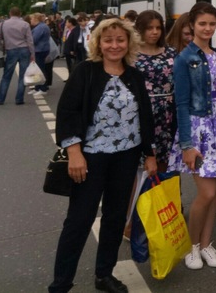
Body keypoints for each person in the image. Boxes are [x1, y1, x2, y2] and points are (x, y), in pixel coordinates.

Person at [49, 18, 156, 293]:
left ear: (129, 43)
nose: (114, 45)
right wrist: (74, 152)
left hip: (126, 157)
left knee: (115, 217)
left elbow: (144, 116)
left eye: (120, 40)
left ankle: (104, 274)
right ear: (98, 43)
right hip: (91, 157)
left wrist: (149, 153)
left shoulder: (134, 75)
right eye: (108, 40)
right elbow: (68, 112)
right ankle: (61, 284)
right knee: (79, 220)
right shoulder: (86, 71)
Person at [168, 2, 216, 270]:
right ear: (192, 25)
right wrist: (186, 145)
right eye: (202, 23)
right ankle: (191, 247)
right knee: (207, 191)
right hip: (199, 129)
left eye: (212, 23)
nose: (208, 28)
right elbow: (181, 104)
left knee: (215, 193)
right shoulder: (184, 59)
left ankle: (205, 244)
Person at [134, 10, 177, 171]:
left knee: (167, 161)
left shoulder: (171, 52)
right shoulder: (131, 54)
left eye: (158, 28)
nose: (154, 32)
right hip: (143, 110)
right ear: (140, 29)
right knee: (142, 163)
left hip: (168, 112)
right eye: (149, 28)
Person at [0, 7, 35, 105]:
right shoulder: (25, 24)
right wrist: (32, 54)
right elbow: (30, 40)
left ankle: (0, 99)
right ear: (20, 14)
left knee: (6, 76)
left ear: (10, 13)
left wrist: (2, 48)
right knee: (22, 76)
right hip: (24, 50)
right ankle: (19, 99)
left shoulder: (3, 24)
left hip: (11, 50)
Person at [30, 12, 52, 93]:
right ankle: (38, 87)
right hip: (42, 49)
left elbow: (34, 39)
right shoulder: (42, 26)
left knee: (40, 69)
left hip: (40, 50)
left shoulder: (40, 28)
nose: (30, 20)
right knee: (39, 69)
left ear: (36, 19)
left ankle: (43, 88)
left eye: (31, 19)